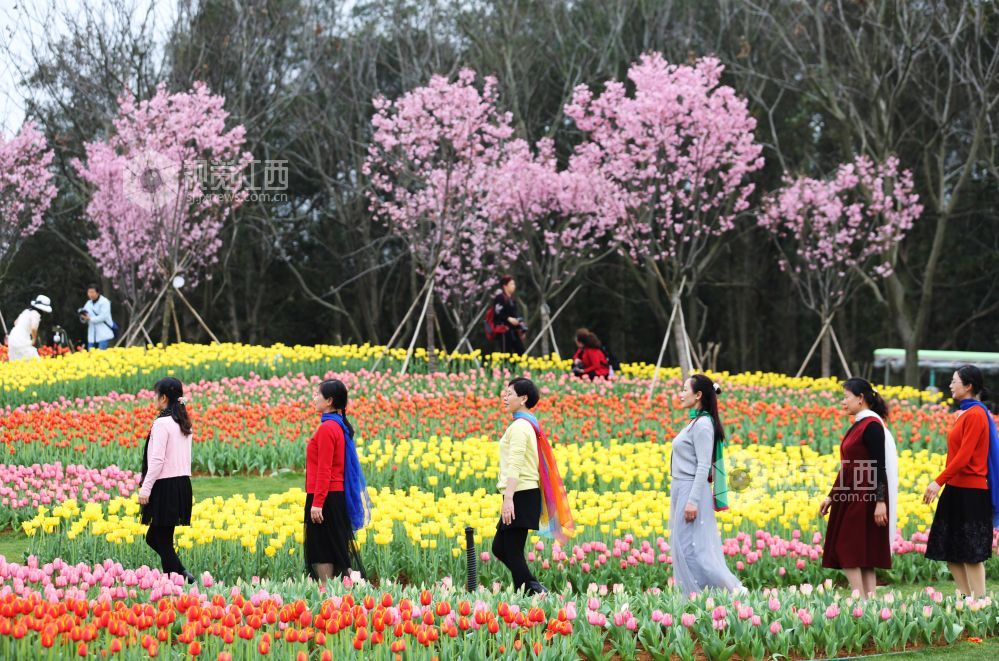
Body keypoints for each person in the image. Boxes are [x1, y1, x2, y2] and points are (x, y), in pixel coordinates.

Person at [923, 365, 999, 598]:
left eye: (954, 381)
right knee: (950, 549)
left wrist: (938, 481)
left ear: (968, 386)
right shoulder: (963, 414)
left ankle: (980, 601)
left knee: (971, 553)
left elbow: (964, 457)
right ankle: (967, 600)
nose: (950, 385)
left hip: (971, 492)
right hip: (955, 489)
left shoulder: (976, 414)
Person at [492, 377, 574, 595]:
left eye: (509, 394)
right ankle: (532, 586)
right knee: (500, 547)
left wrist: (509, 498)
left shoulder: (520, 426)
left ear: (523, 398)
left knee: (512, 550)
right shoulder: (526, 423)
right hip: (522, 492)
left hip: (520, 493)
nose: (505, 397)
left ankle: (532, 592)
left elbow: (516, 463)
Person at [819, 378, 899, 597]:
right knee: (863, 552)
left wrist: (880, 501)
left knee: (846, 547)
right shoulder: (858, 425)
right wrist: (832, 496)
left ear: (861, 398)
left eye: (846, 397)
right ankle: (870, 601)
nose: (843, 402)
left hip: (866, 495)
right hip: (851, 493)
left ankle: (859, 599)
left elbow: (878, 465)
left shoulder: (872, 426)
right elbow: (848, 466)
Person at [669, 373, 745, 596]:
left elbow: (703, 466)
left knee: (694, 550)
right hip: (682, 487)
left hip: (691, 489)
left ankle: (732, 591)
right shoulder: (695, 422)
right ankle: (695, 595)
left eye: (685, 389)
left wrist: (692, 501)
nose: (681, 394)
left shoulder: (702, 425)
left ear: (698, 395)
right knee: (685, 547)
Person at [305, 378, 370, 582]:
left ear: (329, 401)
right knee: (335, 547)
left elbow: (325, 469)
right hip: (333, 496)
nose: (314, 398)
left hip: (325, 497)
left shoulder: (328, 428)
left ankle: (326, 592)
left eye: (318, 394)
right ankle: (341, 592)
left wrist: (317, 503)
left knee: (322, 549)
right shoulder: (338, 425)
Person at [138, 377, 195, 584]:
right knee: (157, 538)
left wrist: (146, 489)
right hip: (181, 484)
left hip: (165, 485)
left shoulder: (162, 423)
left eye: (156, 395)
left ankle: (178, 580)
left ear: (163, 398)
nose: (154, 399)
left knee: (160, 540)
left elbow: (157, 460)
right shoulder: (183, 422)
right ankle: (180, 577)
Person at [5, 295, 52, 361]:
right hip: (21, 340)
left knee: (17, 362)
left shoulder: (26, 311)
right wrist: (34, 339)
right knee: (35, 361)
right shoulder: (36, 314)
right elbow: (33, 328)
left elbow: (15, 323)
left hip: (13, 338)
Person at [490, 275, 526, 355]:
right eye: (512, 284)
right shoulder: (500, 298)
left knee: (522, 353)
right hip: (504, 331)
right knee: (506, 355)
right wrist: (508, 318)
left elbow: (515, 316)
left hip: (514, 331)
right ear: (505, 286)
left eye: (514, 284)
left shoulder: (512, 300)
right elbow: (498, 313)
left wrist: (521, 328)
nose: (514, 286)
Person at [80, 284, 115, 350]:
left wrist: (90, 318)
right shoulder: (88, 303)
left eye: (92, 292)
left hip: (103, 334)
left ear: (98, 293)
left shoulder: (104, 302)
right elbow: (85, 317)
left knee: (101, 354)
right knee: (91, 354)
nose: (90, 294)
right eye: (89, 292)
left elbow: (103, 317)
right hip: (92, 335)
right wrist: (83, 317)